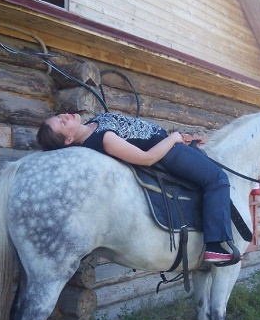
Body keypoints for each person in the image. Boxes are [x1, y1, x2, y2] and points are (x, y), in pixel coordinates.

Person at [36, 111, 236, 262]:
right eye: (63, 123)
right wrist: (174, 138)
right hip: (167, 152)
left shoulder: (91, 125)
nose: (65, 116)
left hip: (165, 143)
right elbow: (146, 158)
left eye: (60, 116)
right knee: (217, 179)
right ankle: (215, 246)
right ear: (69, 140)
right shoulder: (102, 139)